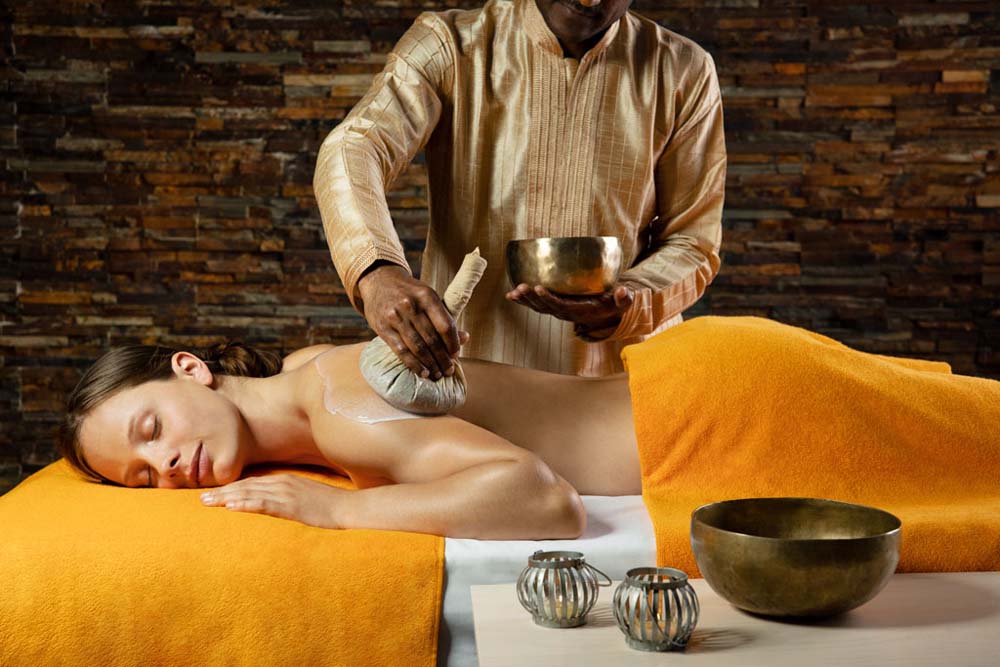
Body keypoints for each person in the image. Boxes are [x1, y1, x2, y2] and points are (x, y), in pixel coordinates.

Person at [313, 0, 726, 379]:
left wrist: (629, 301)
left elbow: (694, 240)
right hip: (469, 380)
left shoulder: (682, 69)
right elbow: (355, 147)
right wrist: (377, 271)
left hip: (623, 386)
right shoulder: (450, 46)